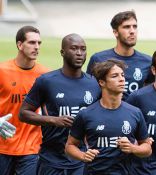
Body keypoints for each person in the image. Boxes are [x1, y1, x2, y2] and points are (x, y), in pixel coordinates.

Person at [19, 33, 101, 175]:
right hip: (51, 159)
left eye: (83, 49)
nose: (79, 53)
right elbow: (24, 113)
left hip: (81, 159)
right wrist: (53, 120)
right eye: (74, 48)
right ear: (62, 52)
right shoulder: (46, 81)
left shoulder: (94, 83)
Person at [65, 59, 152, 174]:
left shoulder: (135, 112)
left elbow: (147, 149)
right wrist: (83, 155)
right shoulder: (86, 114)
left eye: (122, 75)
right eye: (115, 76)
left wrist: (132, 148)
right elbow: (69, 146)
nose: (122, 79)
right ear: (102, 82)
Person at [0, 26, 48, 175]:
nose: (37, 47)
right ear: (20, 45)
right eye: (32, 42)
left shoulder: (45, 75)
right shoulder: (2, 71)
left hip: (31, 147)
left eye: (39, 43)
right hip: (2, 144)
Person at [86, 10, 153, 100]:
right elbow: (88, 89)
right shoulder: (98, 59)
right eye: (126, 27)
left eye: (135, 26)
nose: (132, 31)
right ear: (115, 32)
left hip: (136, 114)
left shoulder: (148, 61)